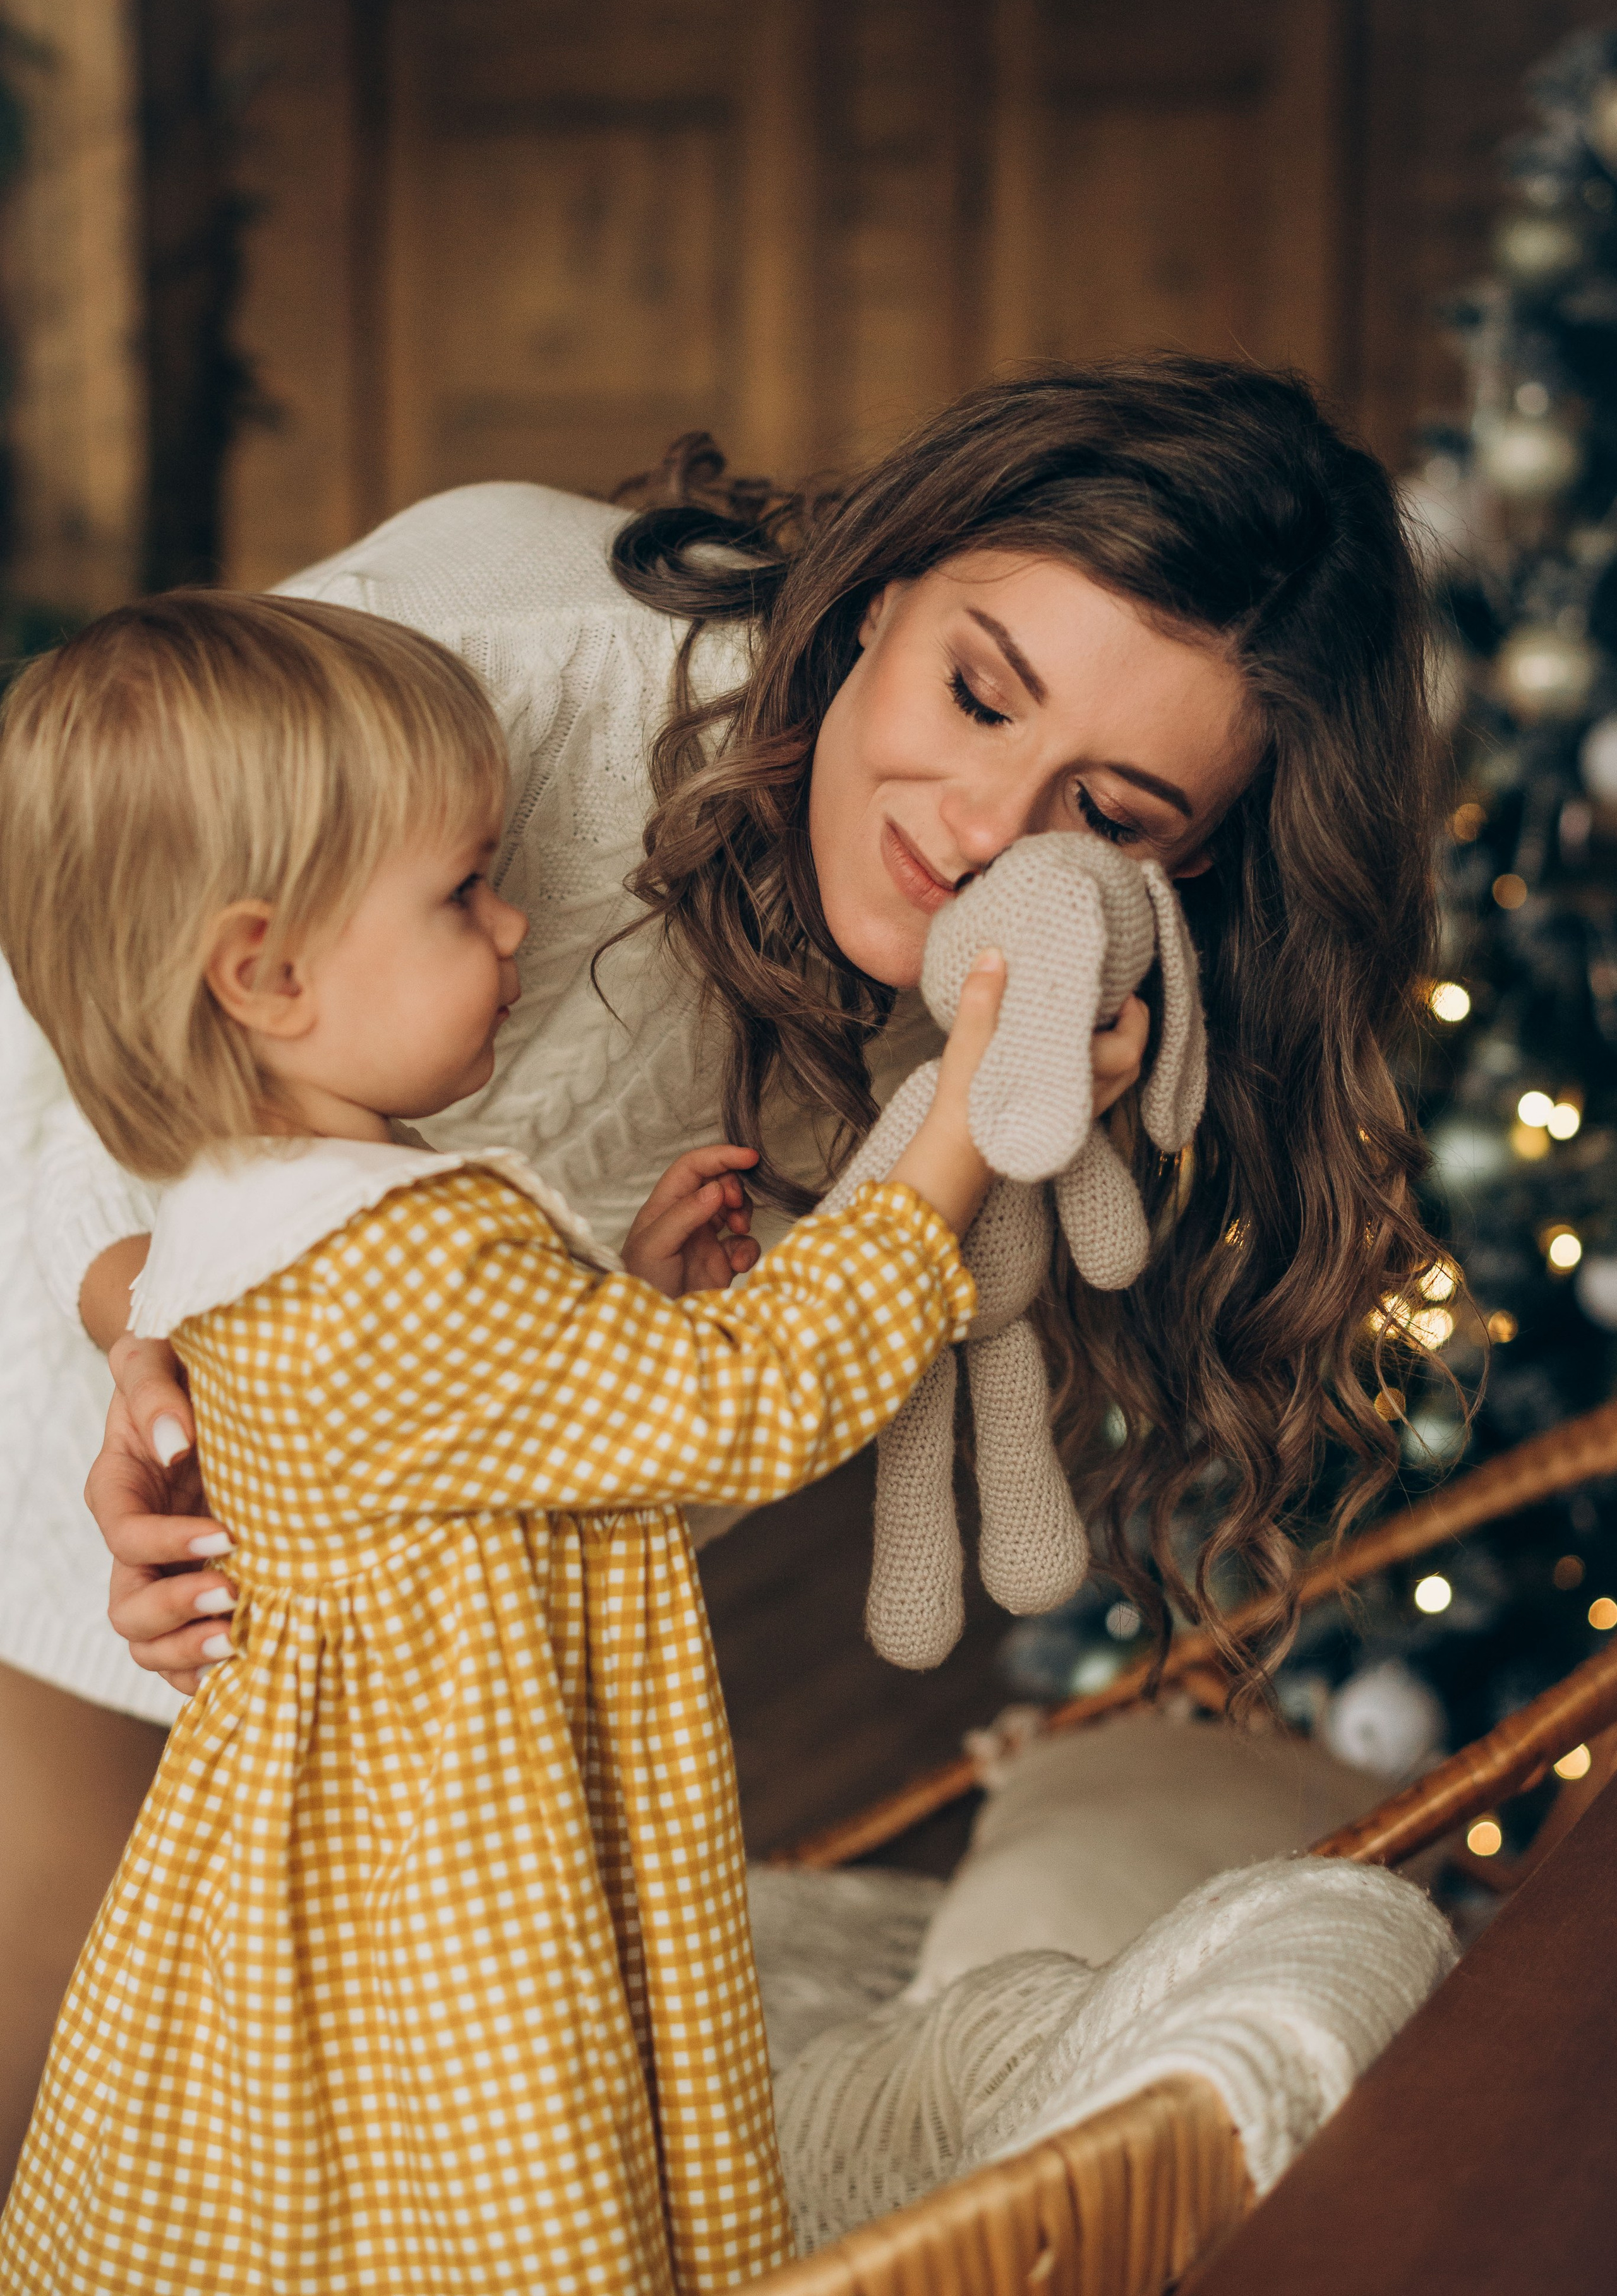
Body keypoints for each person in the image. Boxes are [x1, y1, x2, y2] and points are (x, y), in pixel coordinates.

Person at [0, 357, 1445, 2173]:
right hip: (104, 1439)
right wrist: (153, 1344)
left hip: (467, 1654)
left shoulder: (1024, 993)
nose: (987, 832)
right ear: (882, 580)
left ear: (1201, 850)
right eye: (978, 692)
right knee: (74, 2102)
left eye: (1118, 811)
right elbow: (69, 994)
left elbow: (670, 1392)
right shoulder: (505, 654)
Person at [0, 590, 1009, 2294]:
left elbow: (460, 1449)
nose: (520, 916)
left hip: (353, 1823)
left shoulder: (257, 1215)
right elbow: (750, 1404)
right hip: (457, 1856)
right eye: (463, 891)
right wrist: (962, 1132)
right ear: (269, 970)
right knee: (489, 2190)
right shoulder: (403, 1255)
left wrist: (616, 1300)